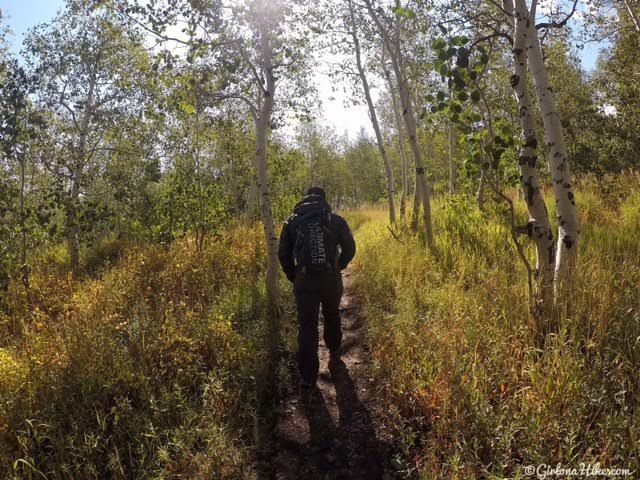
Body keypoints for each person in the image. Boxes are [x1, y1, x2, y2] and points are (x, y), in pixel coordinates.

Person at [278, 186, 356, 388]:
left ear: (304, 199)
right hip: (330, 278)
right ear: (324, 199)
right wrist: (340, 265)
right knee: (331, 313)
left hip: (304, 280)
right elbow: (350, 248)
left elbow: (283, 254)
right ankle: (334, 349)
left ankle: (307, 377)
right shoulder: (335, 220)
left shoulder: (292, 221)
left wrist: (294, 276)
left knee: (307, 326)